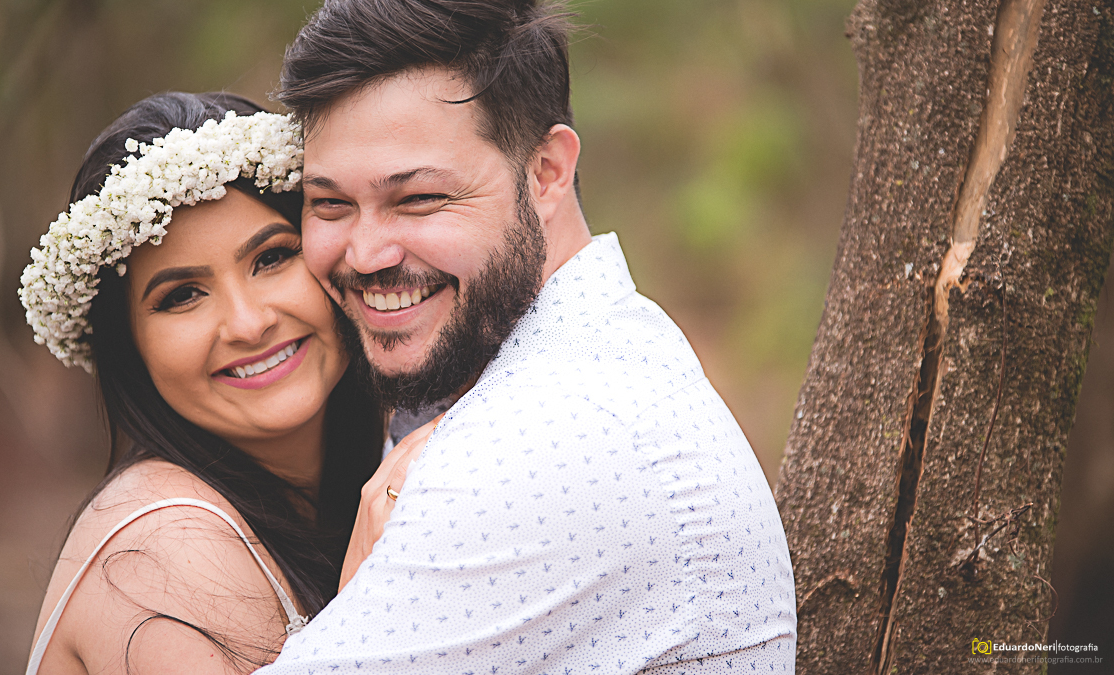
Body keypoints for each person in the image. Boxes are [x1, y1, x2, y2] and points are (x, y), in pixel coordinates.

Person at [258, 0, 798, 673]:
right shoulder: (596, 354)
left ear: (547, 170)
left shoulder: (548, 437)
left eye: (419, 198)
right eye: (330, 203)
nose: (364, 253)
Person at [18, 92, 387, 674]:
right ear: (129, 347)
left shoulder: (379, 471)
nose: (249, 322)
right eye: (181, 296)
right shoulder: (169, 551)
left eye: (271, 258)